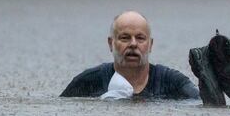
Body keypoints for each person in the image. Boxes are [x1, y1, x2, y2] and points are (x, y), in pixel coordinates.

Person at [60, 11, 200, 99]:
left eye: (140, 38)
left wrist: (210, 78)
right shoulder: (89, 81)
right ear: (111, 43)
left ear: (150, 44)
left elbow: (205, 104)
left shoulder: (172, 82)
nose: (133, 44)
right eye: (125, 38)